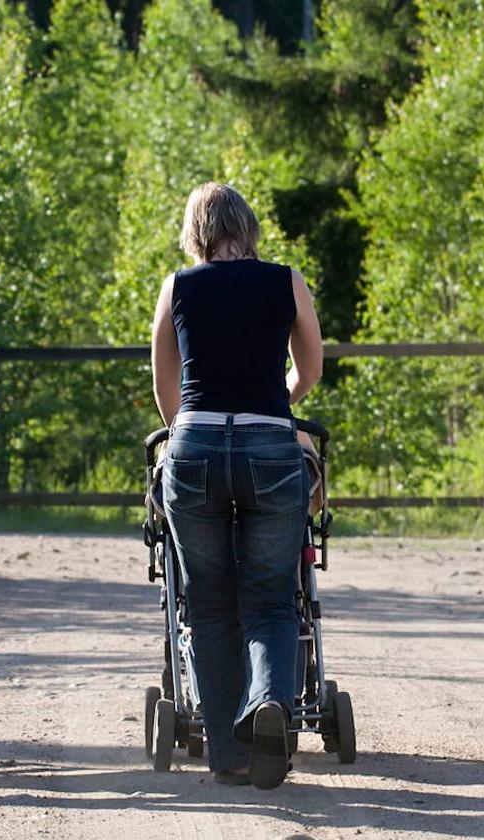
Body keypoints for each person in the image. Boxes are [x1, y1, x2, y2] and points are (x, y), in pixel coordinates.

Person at [150, 182, 323, 789]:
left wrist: (188, 431)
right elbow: (312, 368)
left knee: (210, 602)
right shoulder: (286, 281)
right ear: (246, 227)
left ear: (197, 232)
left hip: (194, 446)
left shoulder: (178, 287)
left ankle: (229, 754)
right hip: (270, 447)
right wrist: (279, 401)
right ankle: (271, 700)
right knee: (272, 596)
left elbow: (164, 387)